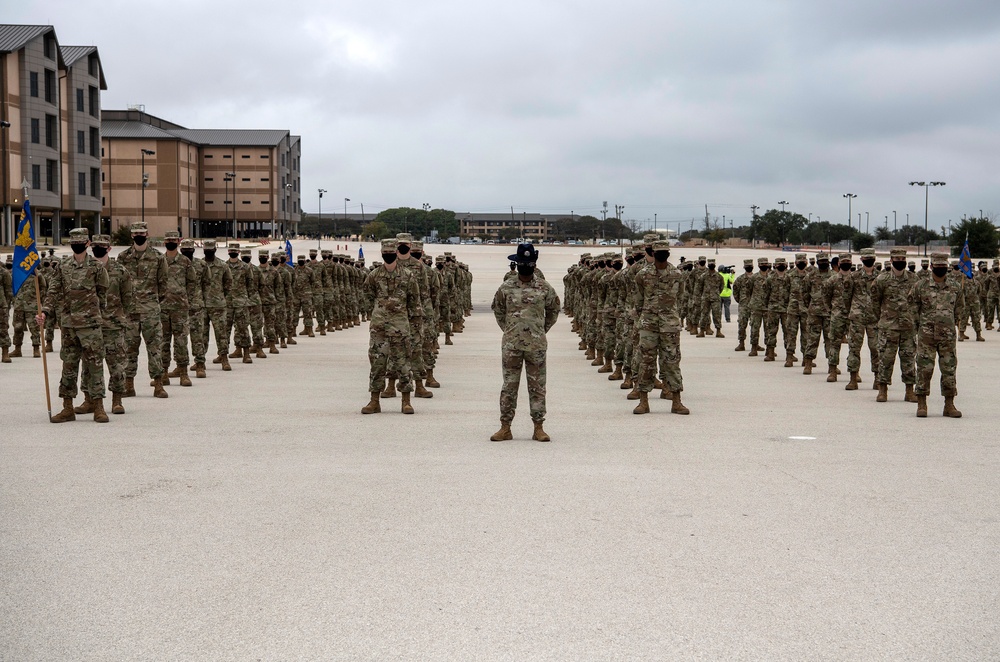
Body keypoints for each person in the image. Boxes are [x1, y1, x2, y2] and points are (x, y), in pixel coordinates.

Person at [490, 243, 560, 440]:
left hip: (536, 346)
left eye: (528, 263)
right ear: (517, 263)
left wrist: (540, 330)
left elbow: (554, 310)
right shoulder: (506, 287)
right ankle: (505, 427)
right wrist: (509, 329)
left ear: (534, 264)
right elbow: (498, 309)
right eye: (522, 263)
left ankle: (538, 427)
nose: (525, 267)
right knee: (509, 386)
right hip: (512, 345)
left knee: (537, 387)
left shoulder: (544, 287)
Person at [40, 228, 110, 423]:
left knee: (95, 365)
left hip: (90, 325)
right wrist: (45, 311)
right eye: (74, 242)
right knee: (69, 366)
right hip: (69, 325)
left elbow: (102, 293)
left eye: (80, 242)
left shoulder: (96, 267)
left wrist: (95, 314)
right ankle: (67, 408)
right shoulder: (63, 267)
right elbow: (53, 291)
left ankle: (98, 406)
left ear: (87, 244)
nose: (77, 245)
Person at [361, 239, 419, 415]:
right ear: (381, 254)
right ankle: (374, 401)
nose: (388, 255)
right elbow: (366, 296)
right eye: (385, 253)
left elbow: (414, 302)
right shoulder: (374, 275)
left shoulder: (408, 275)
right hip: (379, 328)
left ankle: (406, 401)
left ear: (396, 253)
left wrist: (414, 326)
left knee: (403, 364)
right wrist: (376, 312)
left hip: (400, 327)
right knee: (377, 364)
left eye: (391, 253)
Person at [632, 240, 688, 415]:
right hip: (648, 325)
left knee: (672, 361)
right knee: (646, 362)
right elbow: (638, 301)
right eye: (659, 252)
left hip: (669, 326)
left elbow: (681, 298)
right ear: (653, 254)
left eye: (665, 252)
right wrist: (641, 321)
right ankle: (643, 402)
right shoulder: (642, 275)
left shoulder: (676, 274)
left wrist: (675, 318)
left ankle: (676, 401)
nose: (663, 255)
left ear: (669, 254)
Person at [117, 222, 168, 398]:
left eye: (142, 233)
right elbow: (119, 283)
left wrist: (153, 302)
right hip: (130, 312)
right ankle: (129, 385)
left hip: (150, 311)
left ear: (147, 234)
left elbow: (163, 284)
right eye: (136, 233)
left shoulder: (158, 257)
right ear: (132, 235)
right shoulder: (123, 257)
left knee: (155, 349)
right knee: (128, 349)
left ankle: (158, 385)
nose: (139, 236)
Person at [911, 252, 964, 418]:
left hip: (947, 336)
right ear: (931, 266)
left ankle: (949, 404)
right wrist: (920, 326)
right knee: (924, 369)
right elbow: (913, 308)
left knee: (949, 369)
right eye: (938, 265)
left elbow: (959, 308)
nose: (940, 268)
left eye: (943, 266)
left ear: (947, 267)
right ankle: (922, 404)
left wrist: (951, 324)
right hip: (926, 336)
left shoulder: (955, 286)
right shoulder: (920, 286)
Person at [870, 248, 917, 403]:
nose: (900, 261)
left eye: (902, 259)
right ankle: (882, 390)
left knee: (909, 359)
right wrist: (883, 319)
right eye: (897, 259)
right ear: (891, 260)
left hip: (908, 327)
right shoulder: (882, 280)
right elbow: (875, 303)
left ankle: (909, 391)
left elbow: (918, 302)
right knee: (885, 359)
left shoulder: (913, 279)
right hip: (888, 328)